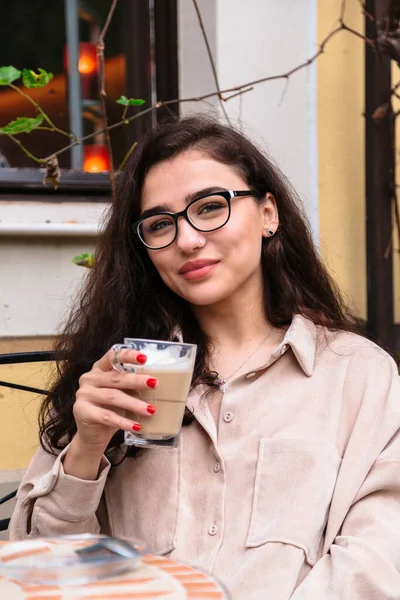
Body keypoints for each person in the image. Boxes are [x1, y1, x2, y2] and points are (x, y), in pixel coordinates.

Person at [10, 116, 400, 600]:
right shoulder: (123, 375)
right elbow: (42, 574)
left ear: (268, 214)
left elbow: (378, 560)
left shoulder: (356, 376)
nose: (188, 239)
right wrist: (86, 450)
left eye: (211, 207)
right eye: (160, 224)